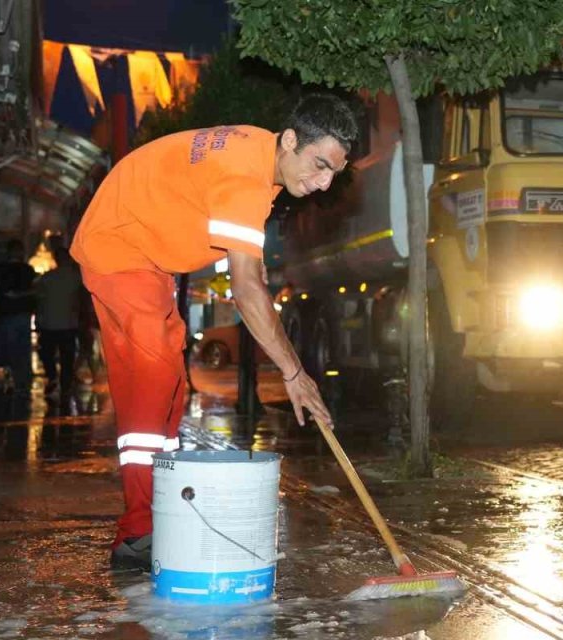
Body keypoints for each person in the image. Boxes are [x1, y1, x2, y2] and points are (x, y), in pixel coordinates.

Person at [70, 94, 357, 571]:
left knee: (171, 388)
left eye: (334, 173)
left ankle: (157, 513)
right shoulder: (246, 177)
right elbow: (246, 289)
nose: (324, 183)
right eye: (320, 165)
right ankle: (138, 534)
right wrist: (293, 373)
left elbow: (250, 272)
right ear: (290, 140)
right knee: (152, 383)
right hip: (121, 249)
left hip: (143, 256)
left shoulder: (257, 153)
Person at [34, 246, 83, 404]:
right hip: (68, 323)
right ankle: (65, 385)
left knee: (47, 353)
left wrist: (39, 319)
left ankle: (53, 376)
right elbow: (80, 300)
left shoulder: (47, 278)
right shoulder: (76, 278)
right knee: (67, 357)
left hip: (50, 323)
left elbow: (39, 300)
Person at [0, 239, 37, 396]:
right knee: (22, 348)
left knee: (10, 347)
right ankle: (22, 380)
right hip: (21, 313)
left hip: (8, 313)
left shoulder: (0, 269)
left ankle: (13, 379)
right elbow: (34, 291)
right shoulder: (27, 270)